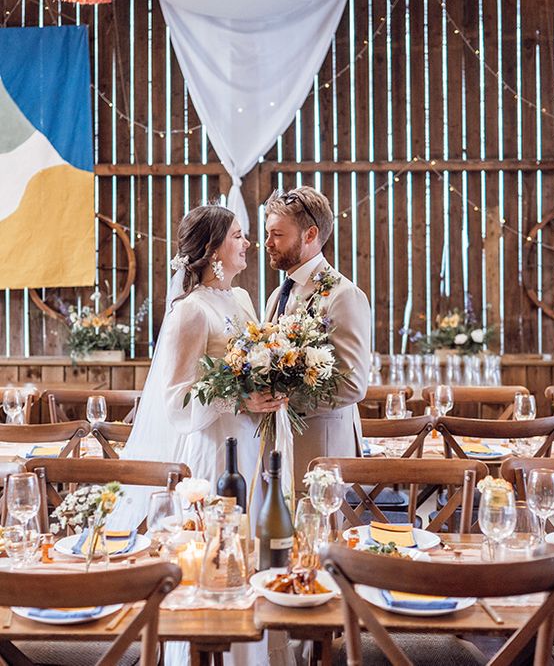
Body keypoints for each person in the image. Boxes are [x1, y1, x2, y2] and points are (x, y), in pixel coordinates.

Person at [114, 204, 292, 666]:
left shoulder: (243, 301)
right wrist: (238, 400)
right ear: (213, 250)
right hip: (216, 450)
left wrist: (273, 385)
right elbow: (175, 403)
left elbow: (252, 365)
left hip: (254, 446)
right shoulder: (189, 313)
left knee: (255, 558)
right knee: (220, 563)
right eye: (238, 236)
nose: (248, 243)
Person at [262, 186, 371, 482]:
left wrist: (282, 401)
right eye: (268, 233)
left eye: (278, 235)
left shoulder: (343, 295)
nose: (268, 243)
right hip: (278, 449)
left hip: (322, 451)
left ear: (310, 235)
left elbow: (353, 383)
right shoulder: (278, 294)